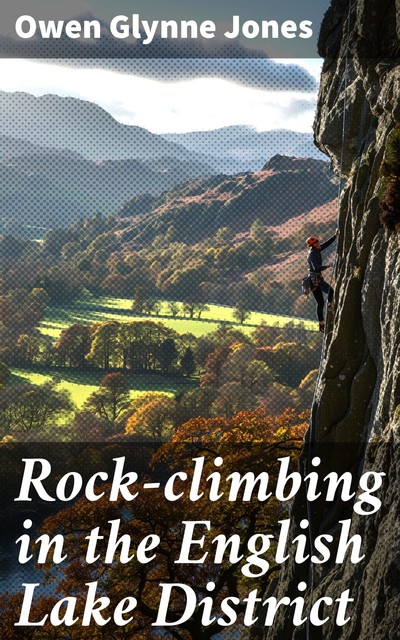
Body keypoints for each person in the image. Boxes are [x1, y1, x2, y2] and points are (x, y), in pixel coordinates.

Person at [306, 230, 338, 332]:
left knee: (320, 303)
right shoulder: (312, 255)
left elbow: (326, 245)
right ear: (312, 245)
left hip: (313, 280)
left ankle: (321, 325)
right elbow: (316, 268)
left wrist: (335, 236)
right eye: (317, 243)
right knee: (330, 291)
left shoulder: (316, 250)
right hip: (315, 279)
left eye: (318, 243)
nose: (319, 244)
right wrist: (328, 266)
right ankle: (329, 306)